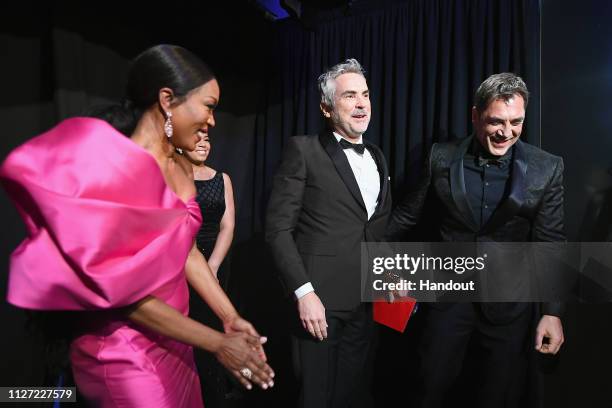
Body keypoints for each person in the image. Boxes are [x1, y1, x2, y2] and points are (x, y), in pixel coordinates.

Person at [0, 44, 273, 408]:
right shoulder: (112, 167)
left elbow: (186, 249)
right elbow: (120, 295)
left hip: (176, 341)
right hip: (124, 352)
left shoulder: (180, 168)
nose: (212, 121)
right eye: (208, 106)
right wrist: (216, 343)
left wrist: (230, 318)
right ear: (167, 100)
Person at [386, 73, 565, 408]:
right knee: (426, 390)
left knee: (497, 397)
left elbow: (550, 243)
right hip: (446, 301)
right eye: (496, 121)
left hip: (509, 308)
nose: (506, 132)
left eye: (516, 123)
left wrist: (552, 312)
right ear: (475, 115)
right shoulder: (440, 157)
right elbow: (405, 219)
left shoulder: (547, 168)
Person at [265, 58, 392, 408]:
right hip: (319, 305)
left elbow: (376, 229)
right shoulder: (303, 149)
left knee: (352, 396)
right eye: (350, 95)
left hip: (367, 304)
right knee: (316, 398)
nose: (362, 103)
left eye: (365, 94)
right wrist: (303, 293)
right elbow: (277, 230)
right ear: (326, 107)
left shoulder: (378, 156)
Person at [184, 133, 237, 407]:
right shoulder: (174, 177)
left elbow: (228, 226)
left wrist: (213, 265)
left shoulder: (222, 178)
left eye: (208, 139)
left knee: (213, 328)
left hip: (215, 260)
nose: (204, 143)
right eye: (198, 138)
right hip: (181, 263)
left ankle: (213, 395)